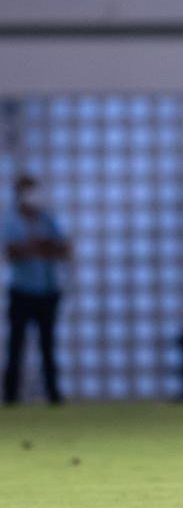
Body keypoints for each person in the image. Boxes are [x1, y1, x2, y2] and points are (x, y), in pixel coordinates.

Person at [4, 174, 71, 405]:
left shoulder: (46, 220)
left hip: (47, 291)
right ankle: (10, 396)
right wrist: (39, 247)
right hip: (22, 291)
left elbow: (63, 249)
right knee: (16, 345)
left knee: (48, 345)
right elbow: (12, 253)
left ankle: (53, 394)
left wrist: (38, 247)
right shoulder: (11, 221)